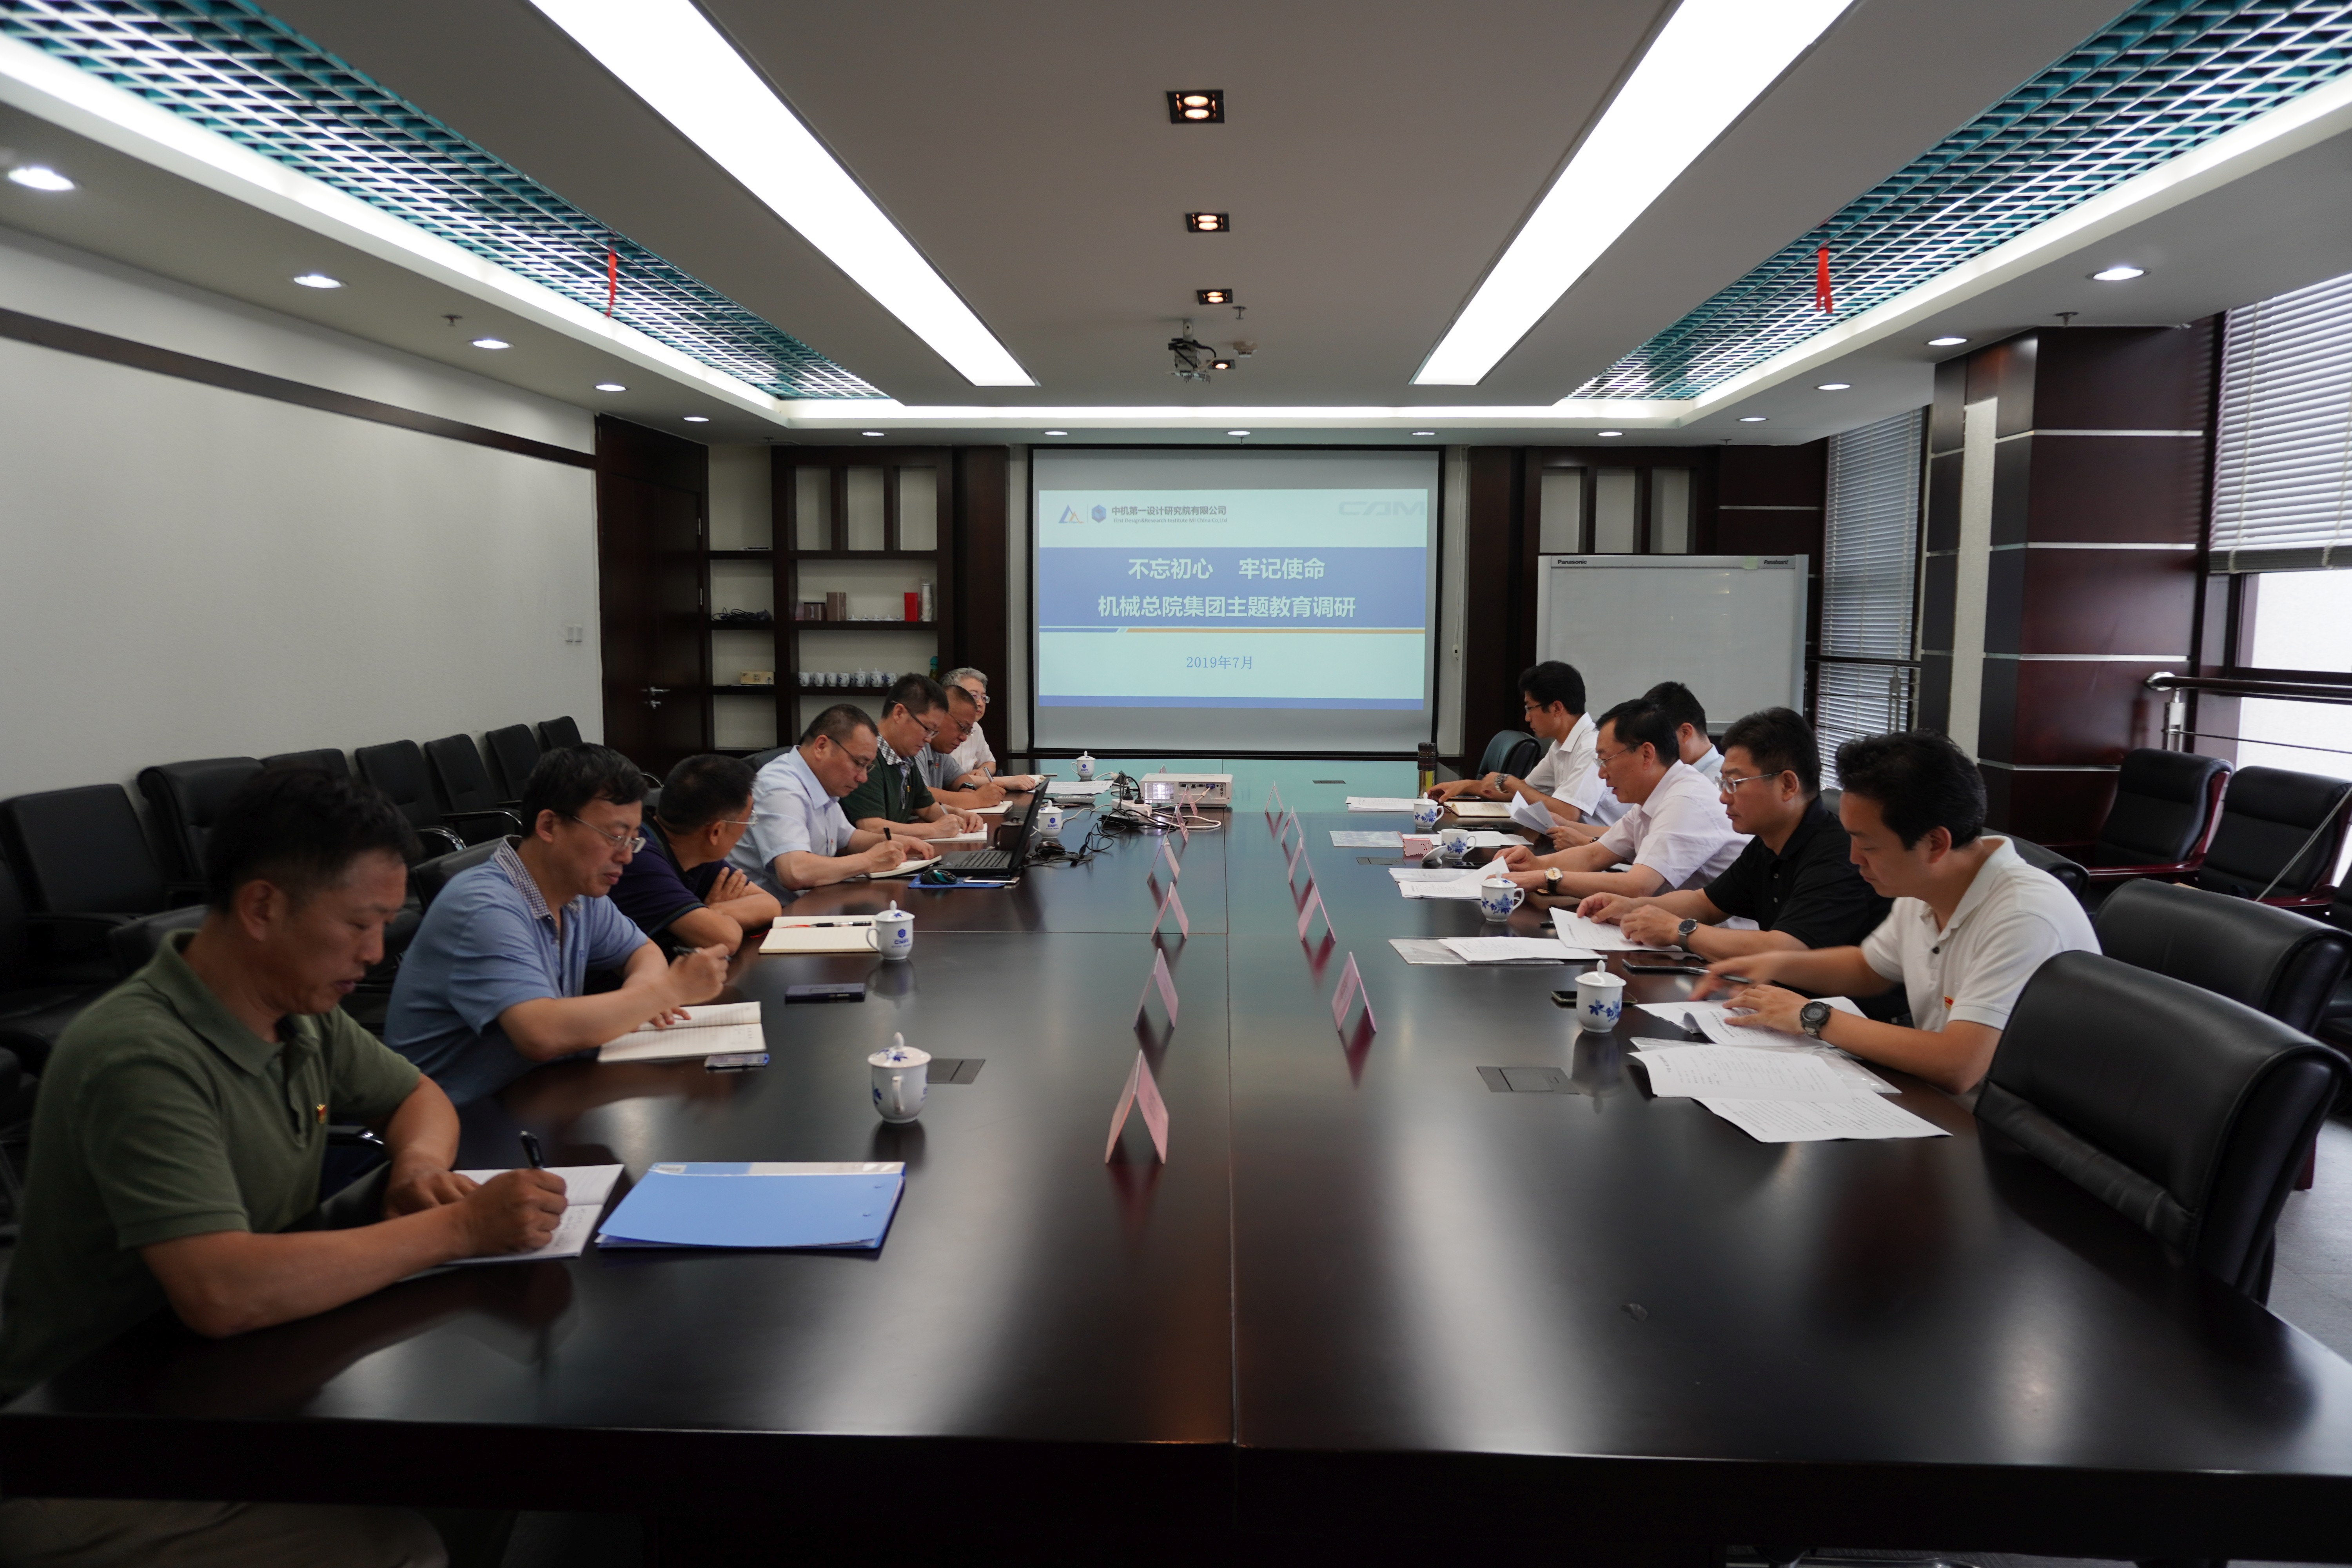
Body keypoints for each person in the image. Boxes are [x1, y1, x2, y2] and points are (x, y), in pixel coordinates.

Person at [0, 766, 565, 1567]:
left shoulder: (298, 1009)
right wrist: (460, 1227)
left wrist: (416, 1167)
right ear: (263, 907)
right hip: (86, 1448)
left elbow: (419, 1097)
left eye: (384, 925)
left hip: (233, 1387)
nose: (374, 953)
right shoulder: (140, 1056)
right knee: (403, 1548)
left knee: (487, 1463)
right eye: (359, 924)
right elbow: (223, 1292)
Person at [1692, 729, 2100, 1100]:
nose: (1854, 858)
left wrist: (1811, 1016)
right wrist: (1775, 964)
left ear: (1935, 844)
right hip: (1946, 1101)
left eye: (1868, 846)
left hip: (2018, 1122)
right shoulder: (1926, 886)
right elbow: (1869, 968)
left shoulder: (2024, 916)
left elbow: (1958, 1064)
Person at [385, 745, 730, 1106]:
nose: (627, 856)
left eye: (633, 839)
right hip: (457, 1116)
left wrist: (643, 997)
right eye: (614, 836)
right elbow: (541, 1034)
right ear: (549, 826)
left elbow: (642, 951)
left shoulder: (579, 891)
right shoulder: (483, 906)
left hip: (539, 1092)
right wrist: (666, 992)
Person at [1575, 707, 1887, 959]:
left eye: (1734, 784)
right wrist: (1630, 907)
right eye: (1722, 783)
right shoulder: (1766, 844)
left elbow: (1787, 947)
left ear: (1788, 785)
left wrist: (1678, 931)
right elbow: (1706, 903)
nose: (1724, 797)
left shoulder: (1837, 854)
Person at [1493, 697, 1746, 901]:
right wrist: (1534, 864)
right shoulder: (1654, 796)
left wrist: (1547, 877)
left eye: (1606, 761)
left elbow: (1638, 887)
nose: (1602, 773)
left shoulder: (1686, 800)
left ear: (1646, 755)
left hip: (1715, 940)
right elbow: (1594, 855)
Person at [730, 703, 927, 895]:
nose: (863, 778)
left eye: (868, 767)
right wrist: (870, 861)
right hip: (775, 912)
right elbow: (795, 872)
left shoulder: (821, 782)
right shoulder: (780, 787)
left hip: (812, 901)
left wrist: (896, 842)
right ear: (822, 747)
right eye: (859, 763)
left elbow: (848, 839)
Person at [609, 753, 782, 951]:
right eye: (748, 819)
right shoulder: (639, 856)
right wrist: (711, 919)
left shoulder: (695, 848)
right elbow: (726, 938)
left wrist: (713, 911)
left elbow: (770, 905)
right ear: (716, 832)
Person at [1426, 661, 1624, 832]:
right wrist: (1465, 786)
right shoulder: (1561, 744)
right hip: (1568, 841)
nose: (1527, 718)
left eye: (1530, 708)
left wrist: (1510, 782)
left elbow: (1568, 813)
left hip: (1604, 851)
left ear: (1556, 708)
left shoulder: (1591, 748)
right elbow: (1525, 790)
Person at [842, 674, 987, 845]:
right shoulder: (866, 757)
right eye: (927, 729)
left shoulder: (905, 758)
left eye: (934, 732)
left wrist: (959, 814)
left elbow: (926, 807)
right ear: (899, 713)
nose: (929, 739)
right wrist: (933, 830)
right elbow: (871, 826)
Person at [940, 667, 1043, 790]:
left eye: (984, 698)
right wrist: (1006, 782)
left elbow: (989, 762)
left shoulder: (976, 728)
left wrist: (983, 771)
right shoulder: (940, 732)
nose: (980, 703)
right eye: (973, 696)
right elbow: (951, 780)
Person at [918, 682, 1008, 809]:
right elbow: (920, 796)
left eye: (967, 731)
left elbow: (960, 778)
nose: (964, 738)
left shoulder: (939, 752)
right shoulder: (917, 744)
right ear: (940, 715)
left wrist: (968, 790)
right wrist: (976, 799)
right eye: (962, 728)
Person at [1643, 680, 1724, 786]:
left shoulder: (1724, 784)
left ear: (1685, 733)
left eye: (1656, 741)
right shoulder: (1669, 777)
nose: (1652, 753)